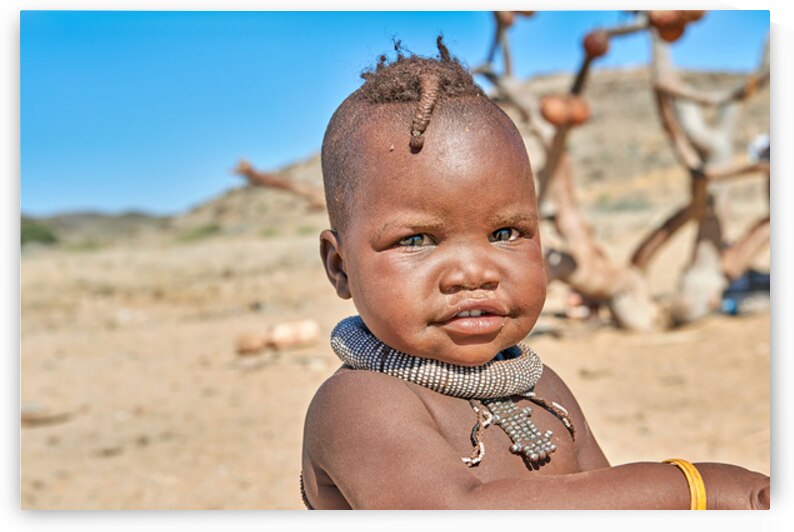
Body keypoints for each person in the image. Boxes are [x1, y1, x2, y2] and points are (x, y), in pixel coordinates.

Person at [300, 38, 770, 510]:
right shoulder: (359, 404)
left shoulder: (541, 386)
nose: (474, 272)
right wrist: (695, 488)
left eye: (506, 232)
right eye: (416, 240)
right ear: (340, 268)